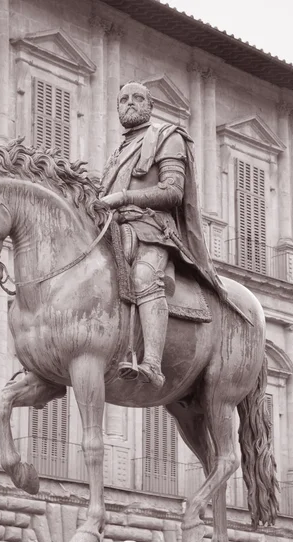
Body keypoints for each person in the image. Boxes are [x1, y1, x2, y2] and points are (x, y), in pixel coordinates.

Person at [101, 81, 227, 389]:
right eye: (124, 99)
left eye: (137, 98)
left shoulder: (167, 138)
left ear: (149, 105)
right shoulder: (118, 153)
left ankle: (153, 364)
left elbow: (172, 191)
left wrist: (125, 198)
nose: (130, 103)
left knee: (145, 275)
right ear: (118, 108)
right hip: (115, 229)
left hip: (152, 230)